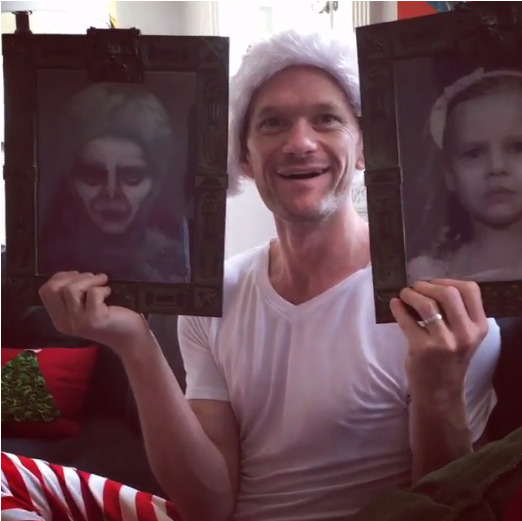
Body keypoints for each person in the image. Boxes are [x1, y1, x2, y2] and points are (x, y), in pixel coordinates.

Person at [1, 29, 502, 521]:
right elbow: (207, 506)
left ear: (365, 145)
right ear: (243, 156)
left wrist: (439, 392)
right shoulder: (217, 294)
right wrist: (135, 345)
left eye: (326, 119)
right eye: (273, 123)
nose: (300, 142)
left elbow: (447, 507)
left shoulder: (439, 306)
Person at [38, 83, 191, 284]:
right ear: (72, 180)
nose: (111, 192)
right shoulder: (46, 259)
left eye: (131, 176)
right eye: (93, 175)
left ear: (154, 182)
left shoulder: (173, 262)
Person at [407, 68, 522, 283]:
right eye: (474, 153)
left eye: (518, 148)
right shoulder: (427, 277)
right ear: (449, 174)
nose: (496, 167)